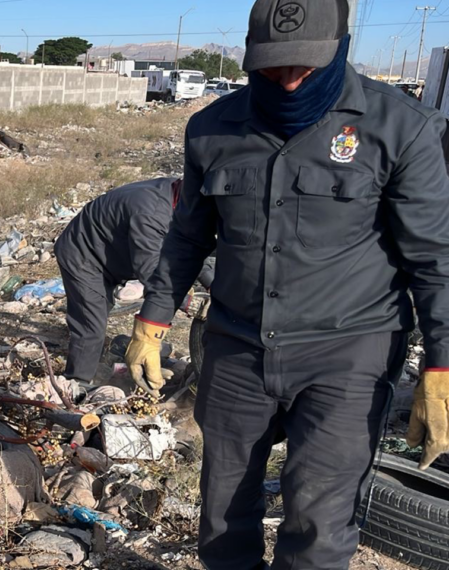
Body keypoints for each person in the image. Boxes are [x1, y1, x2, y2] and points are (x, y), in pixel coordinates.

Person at [124, 1, 449, 568]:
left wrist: (442, 367)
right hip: (237, 348)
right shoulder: (211, 128)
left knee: (318, 524)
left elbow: (435, 258)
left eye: (304, 67)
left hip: (348, 354)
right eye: (272, 68)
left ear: (339, 48)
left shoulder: (400, 127)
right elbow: (188, 237)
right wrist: (153, 320)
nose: (289, 81)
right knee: (224, 513)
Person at [54, 178, 213, 385]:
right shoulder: (151, 212)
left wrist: (213, 285)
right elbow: (152, 274)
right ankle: (76, 384)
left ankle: (95, 361)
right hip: (83, 255)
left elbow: (195, 247)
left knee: (101, 311)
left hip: (111, 252)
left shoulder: (181, 197)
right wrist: (190, 302)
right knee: (90, 324)